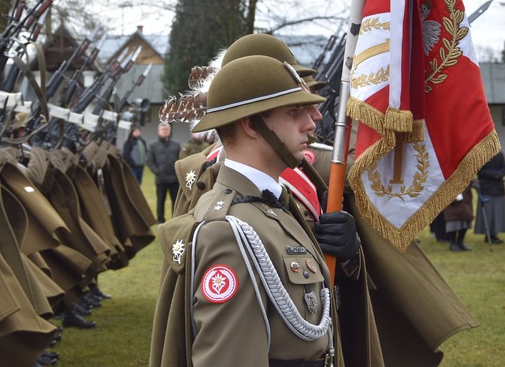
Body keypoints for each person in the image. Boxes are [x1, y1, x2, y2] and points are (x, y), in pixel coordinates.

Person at [151, 55, 359, 366]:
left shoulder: (275, 205)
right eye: (293, 113)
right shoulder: (228, 233)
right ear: (252, 124)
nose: (311, 123)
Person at [146, 122, 181, 224]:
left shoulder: (176, 144)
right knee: (161, 201)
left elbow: (181, 158)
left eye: (167, 130)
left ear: (170, 131)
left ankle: (175, 219)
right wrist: (157, 171)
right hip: (161, 179)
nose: (165, 131)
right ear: (159, 131)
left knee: (176, 201)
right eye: (163, 130)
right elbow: (149, 160)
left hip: (174, 179)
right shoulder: (153, 145)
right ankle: (160, 220)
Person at [474, 151, 505, 244]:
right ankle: (488, 234)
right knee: (488, 213)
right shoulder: (481, 154)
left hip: (498, 188)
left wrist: (499, 174)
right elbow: (480, 170)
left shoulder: (500, 154)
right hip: (486, 188)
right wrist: (495, 174)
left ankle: (494, 233)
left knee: (497, 213)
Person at [444, 180, 477, 251]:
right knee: (453, 222)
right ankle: (453, 243)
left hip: (465, 197)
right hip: (451, 195)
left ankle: (460, 242)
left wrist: (474, 183)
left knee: (466, 219)